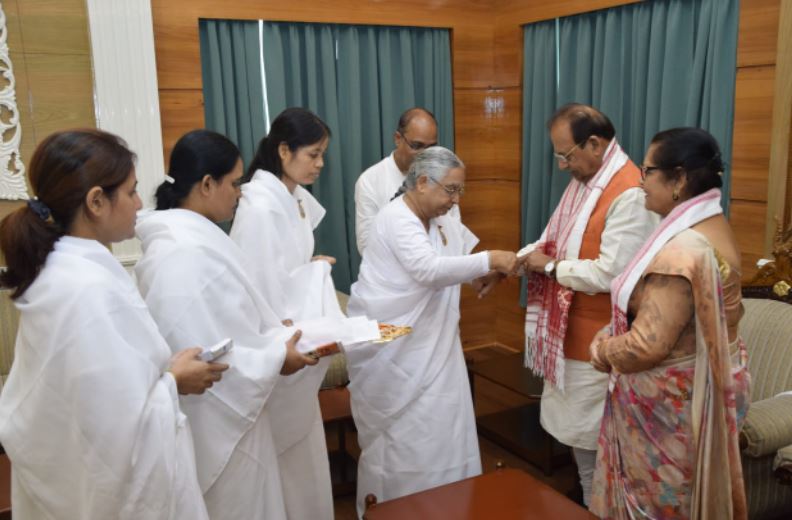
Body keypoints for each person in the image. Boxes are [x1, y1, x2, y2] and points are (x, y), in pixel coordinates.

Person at [0, 129, 227, 519]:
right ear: (97, 201)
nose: (140, 203)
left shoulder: (65, 270)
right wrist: (173, 381)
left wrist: (167, 371)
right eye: (132, 191)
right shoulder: (85, 289)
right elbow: (117, 439)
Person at [134, 129, 316, 520]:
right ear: (206, 184)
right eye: (234, 183)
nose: (241, 192)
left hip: (231, 408)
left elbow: (229, 318)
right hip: (217, 417)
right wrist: (274, 354)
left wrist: (270, 329)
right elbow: (203, 348)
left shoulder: (187, 237)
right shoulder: (183, 253)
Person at [346, 146, 517, 517]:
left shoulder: (442, 217)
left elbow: (454, 260)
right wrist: (491, 260)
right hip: (394, 354)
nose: (455, 201)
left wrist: (479, 275)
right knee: (403, 443)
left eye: (460, 191)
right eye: (450, 190)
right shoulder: (395, 217)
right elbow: (426, 269)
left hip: (436, 353)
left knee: (445, 432)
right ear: (422, 182)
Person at [589, 128, 750, 519]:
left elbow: (647, 346)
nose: (640, 183)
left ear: (678, 179)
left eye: (647, 171)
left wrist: (601, 349)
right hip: (706, 384)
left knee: (660, 505)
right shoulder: (714, 228)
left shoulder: (682, 251)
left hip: (672, 406)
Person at [517, 103, 658, 506]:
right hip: (570, 333)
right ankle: (588, 499)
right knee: (579, 437)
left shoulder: (628, 191)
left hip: (599, 338)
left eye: (566, 155)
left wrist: (553, 267)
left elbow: (612, 274)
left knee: (593, 438)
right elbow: (550, 240)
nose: (562, 165)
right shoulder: (588, 179)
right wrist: (516, 261)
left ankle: (598, 506)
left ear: (594, 143)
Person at [229, 107, 337, 519]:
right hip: (279, 341)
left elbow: (285, 268)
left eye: (323, 154)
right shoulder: (259, 206)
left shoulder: (291, 198)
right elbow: (256, 285)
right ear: (284, 150)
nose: (321, 164)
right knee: (284, 457)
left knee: (303, 455)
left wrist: (312, 269)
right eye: (313, 154)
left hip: (297, 328)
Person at [355, 107, 460, 254]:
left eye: (432, 147)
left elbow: (455, 234)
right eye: (417, 146)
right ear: (398, 139)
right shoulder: (370, 181)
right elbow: (367, 246)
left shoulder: (445, 175)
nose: (425, 155)